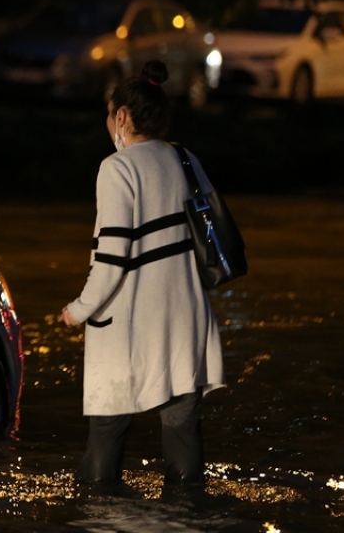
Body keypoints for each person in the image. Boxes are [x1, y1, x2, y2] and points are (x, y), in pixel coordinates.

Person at [57, 60, 225, 487]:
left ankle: (99, 512)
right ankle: (187, 513)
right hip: (186, 316)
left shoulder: (118, 168)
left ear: (122, 117)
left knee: (107, 436)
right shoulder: (186, 160)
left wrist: (79, 310)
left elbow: (111, 260)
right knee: (183, 433)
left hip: (129, 325)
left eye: (109, 114)